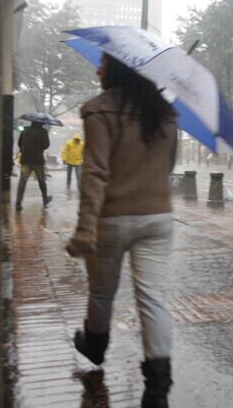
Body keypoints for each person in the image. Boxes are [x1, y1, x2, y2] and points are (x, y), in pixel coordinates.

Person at [66, 53, 178, 408]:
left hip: (112, 219)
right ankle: (157, 390)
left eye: (102, 63)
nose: (98, 69)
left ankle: (94, 349)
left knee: (102, 293)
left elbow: (95, 174)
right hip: (157, 218)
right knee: (153, 299)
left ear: (116, 69)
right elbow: (168, 164)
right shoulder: (164, 111)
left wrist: (85, 230)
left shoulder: (100, 110)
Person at [15, 121, 53, 211]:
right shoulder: (43, 131)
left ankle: (18, 203)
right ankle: (45, 200)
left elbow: (19, 143)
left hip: (25, 159)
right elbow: (46, 145)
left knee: (22, 181)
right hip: (37, 160)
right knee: (41, 181)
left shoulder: (25, 130)